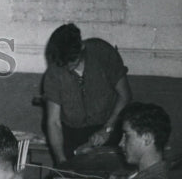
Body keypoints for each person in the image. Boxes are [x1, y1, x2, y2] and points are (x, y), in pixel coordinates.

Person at [42, 23, 132, 162]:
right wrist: (62, 162)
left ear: (82, 48)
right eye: (64, 65)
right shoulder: (54, 71)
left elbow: (124, 95)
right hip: (72, 134)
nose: (68, 68)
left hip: (109, 127)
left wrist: (108, 129)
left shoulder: (102, 53)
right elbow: (53, 122)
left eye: (72, 62)